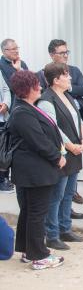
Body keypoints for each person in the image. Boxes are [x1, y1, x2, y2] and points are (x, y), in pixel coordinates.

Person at [9, 70, 65, 270]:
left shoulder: (26, 108)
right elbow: (38, 141)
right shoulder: (22, 112)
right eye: (36, 85)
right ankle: (39, 256)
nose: (40, 87)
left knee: (30, 211)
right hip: (35, 171)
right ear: (27, 89)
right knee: (36, 213)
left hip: (34, 170)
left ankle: (28, 250)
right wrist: (57, 156)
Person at [37, 39, 83, 216]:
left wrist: (67, 89)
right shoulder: (44, 83)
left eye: (67, 52)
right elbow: (53, 126)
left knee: (68, 189)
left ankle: (66, 216)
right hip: (61, 140)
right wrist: (66, 88)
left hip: (75, 124)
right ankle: (55, 228)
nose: (66, 56)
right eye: (62, 53)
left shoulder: (73, 71)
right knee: (58, 192)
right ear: (52, 55)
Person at [37, 62, 83, 250]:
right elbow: (54, 128)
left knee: (68, 194)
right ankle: (52, 234)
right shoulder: (46, 100)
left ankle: (66, 228)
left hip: (75, 150)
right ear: (56, 80)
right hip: (62, 153)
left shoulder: (68, 95)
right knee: (56, 195)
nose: (70, 78)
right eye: (66, 75)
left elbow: (77, 118)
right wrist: (71, 146)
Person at [0, 38, 28, 192]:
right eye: (13, 49)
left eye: (17, 48)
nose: (17, 51)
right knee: (4, 146)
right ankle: (3, 178)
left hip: (18, 108)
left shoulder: (21, 64)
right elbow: (11, 85)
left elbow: (29, 81)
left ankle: (9, 177)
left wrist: (20, 70)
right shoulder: (2, 65)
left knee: (12, 145)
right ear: (4, 51)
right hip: (10, 111)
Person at [0, 72, 12, 193]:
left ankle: (2, 180)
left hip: (2, 118)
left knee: (3, 151)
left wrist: (6, 104)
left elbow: (5, 89)